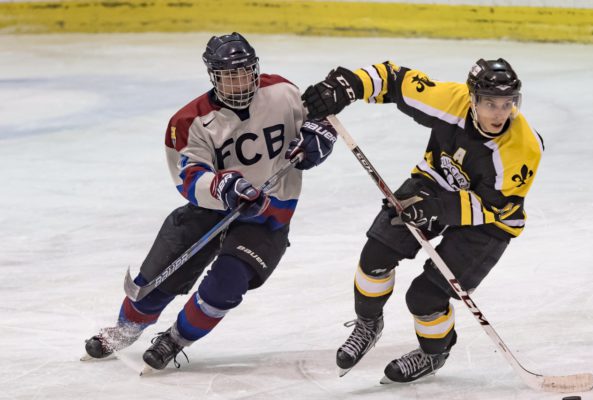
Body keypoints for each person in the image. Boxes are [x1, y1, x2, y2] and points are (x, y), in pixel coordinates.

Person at [83, 32, 337, 371]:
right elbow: (188, 177)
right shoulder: (189, 122)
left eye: (245, 72)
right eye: (229, 76)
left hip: (270, 214)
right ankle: (124, 331)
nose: (239, 81)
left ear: (255, 68)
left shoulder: (283, 93)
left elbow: (319, 121)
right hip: (209, 211)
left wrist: (320, 137)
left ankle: (175, 340)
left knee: (227, 285)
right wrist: (224, 186)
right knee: (157, 280)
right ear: (213, 77)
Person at [302, 58, 543, 383]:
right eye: (490, 103)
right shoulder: (449, 101)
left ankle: (434, 353)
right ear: (472, 99)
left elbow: (494, 207)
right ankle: (368, 324)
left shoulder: (522, 149)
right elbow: (391, 78)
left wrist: (438, 209)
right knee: (376, 254)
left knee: (425, 297)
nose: (500, 113)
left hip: (491, 223)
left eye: (507, 104)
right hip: (434, 184)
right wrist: (346, 87)